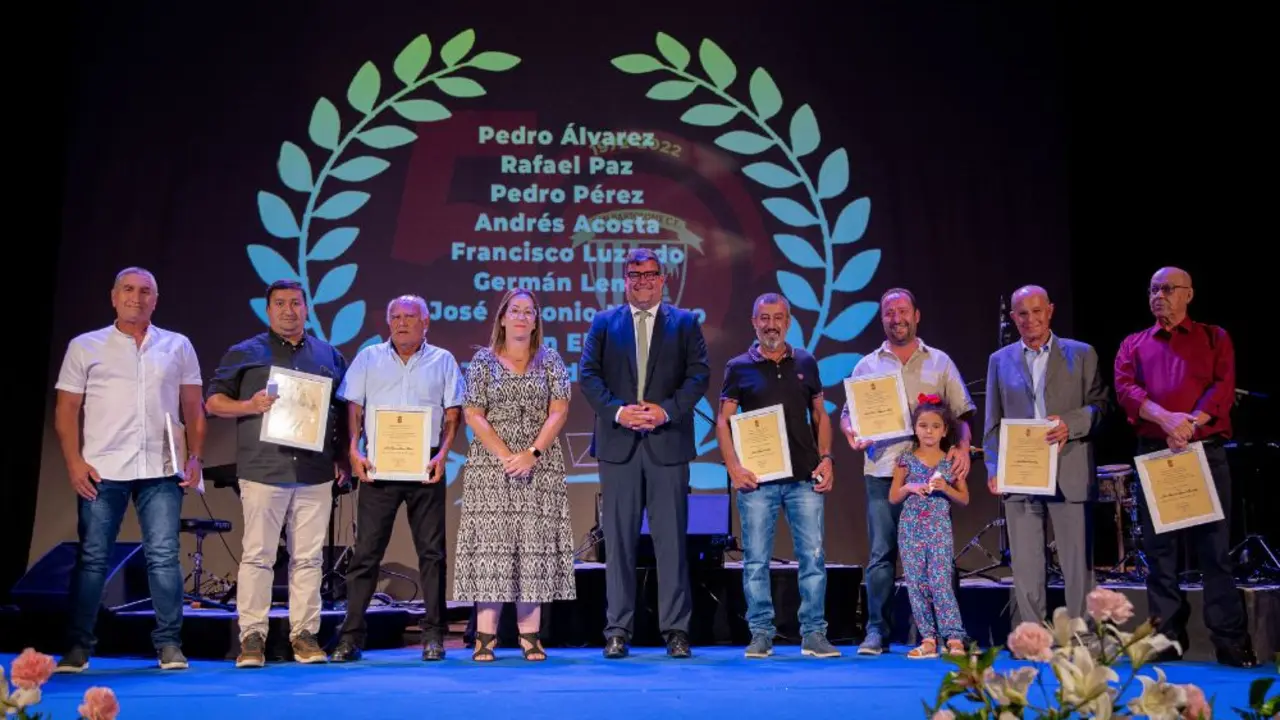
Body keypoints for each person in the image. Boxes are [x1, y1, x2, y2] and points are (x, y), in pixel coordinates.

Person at [52, 267, 205, 673]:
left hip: (161, 468)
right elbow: (67, 410)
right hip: (103, 468)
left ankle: (170, 645)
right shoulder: (86, 346)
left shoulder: (177, 346)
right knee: (92, 559)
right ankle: (78, 648)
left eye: (145, 291)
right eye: (128, 290)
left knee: (164, 557)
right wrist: (74, 463)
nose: (136, 297)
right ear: (114, 296)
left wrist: (195, 457)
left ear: (156, 299)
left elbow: (193, 406)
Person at [1113, 266, 1257, 668]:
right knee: (1160, 553)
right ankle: (1165, 639)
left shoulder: (1214, 337)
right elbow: (1126, 390)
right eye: (1153, 289)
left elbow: (1222, 388)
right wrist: (1166, 420)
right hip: (1156, 452)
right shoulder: (1134, 344)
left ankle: (1230, 641)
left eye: (1168, 289)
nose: (1159, 295)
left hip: (1203, 451)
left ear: (1189, 294)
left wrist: (1188, 424)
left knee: (1215, 551)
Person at [205, 279, 349, 668]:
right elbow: (214, 402)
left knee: (309, 560)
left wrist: (342, 456)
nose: (289, 310)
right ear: (268, 310)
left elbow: (343, 412)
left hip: (315, 472)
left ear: (306, 308)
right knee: (258, 556)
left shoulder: (329, 356)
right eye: (280, 304)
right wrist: (249, 405)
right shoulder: (245, 352)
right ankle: (252, 636)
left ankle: (304, 635)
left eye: (296, 303)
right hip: (263, 469)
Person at [579, 247, 710, 659]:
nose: (642, 282)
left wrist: (664, 411)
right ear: (625, 280)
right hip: (619, 447)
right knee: (617, 544)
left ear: (662, 279)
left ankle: (676, 630)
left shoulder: (686, 323)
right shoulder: (603, 323)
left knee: (671, 541)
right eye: (634, 276)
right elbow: (588, 374)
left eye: (649, 275)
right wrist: (619, 412)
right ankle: (618, 629)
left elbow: (699, 375)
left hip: (666, 445)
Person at [840, 287, 976, 656]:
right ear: (881, 318)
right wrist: (850, 430)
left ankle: (949, 634)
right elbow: (848, 413)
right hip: (885, 472)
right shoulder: (867, 365)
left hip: (933, 477)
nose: (896, 318)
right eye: (889, 313)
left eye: (903, 311)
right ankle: (877, 632)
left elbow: (961, 414)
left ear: (917, 316)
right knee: (882, 554)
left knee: (939, 557)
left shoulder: (940, 362)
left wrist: (962, 448)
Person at [329, 295, 463, 663]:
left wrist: (442, 454)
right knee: (365, 556)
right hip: (378, 470)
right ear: (388, 322)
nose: (402, 323)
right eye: (396, 317)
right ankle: (351, 638)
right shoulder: (369, 358)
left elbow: (453, 413)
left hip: (425, 468)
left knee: (432, 555)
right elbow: (353, 407)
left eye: (410, 317)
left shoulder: (443, 360)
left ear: (426, 322)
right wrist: (354, 451)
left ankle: (434, 636)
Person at [715, 293, 840, 659]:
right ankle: (760, 634)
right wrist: (734, 467)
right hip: (757, 481)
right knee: (755, 560)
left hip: (805, 477)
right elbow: (724, 421)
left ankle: (814, 634)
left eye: (778, 317)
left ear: (789, 321)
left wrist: (828, 457)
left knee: (813, 558)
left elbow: (820, 414)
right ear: (754, 322)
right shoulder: (738, 366)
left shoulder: (806, 361)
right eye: (764, 318)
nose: (771, 324)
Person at [454, 288, 575, 662]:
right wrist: (508, 456)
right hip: (493, 466)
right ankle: (485, 637)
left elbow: (560, 410)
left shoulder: (551, 360)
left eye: (529, 312)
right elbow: (473, 413)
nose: (522, 317)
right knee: (493, 548)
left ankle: (530, 637)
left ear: (536, 321)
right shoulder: (482, 361)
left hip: (540, 464)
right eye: (515, 310)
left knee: (533, 548)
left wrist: (532, 454)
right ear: (503, 318)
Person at [983, 285, 1108, 626]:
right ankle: (1032, 637)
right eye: (1022, 313)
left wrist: (1070, 423)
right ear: (1013, 317)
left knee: (1076, 563)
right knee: (1025, 563)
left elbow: (1100, 407)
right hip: (1021, 472)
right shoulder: (999, 360)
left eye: (1037, 311)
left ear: (1050, 311)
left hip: (1069, 467)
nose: (1031, 319)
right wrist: (994, 467)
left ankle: (1082, 637)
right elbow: (992, 423)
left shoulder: (1082, 354)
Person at [888, 399, 971, 659]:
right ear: (915, 429)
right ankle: (928, 638)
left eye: (935, 426)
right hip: (911, 528)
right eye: (923, 425)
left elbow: (964, 499)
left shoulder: (950, 462)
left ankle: (954, 636)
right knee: (916, 582)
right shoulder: (905, 460)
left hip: (938, 528)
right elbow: (893, 496)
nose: (928, 431)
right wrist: (911, 488)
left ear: (945, 431)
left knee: (940, 581)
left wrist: (945, 487)